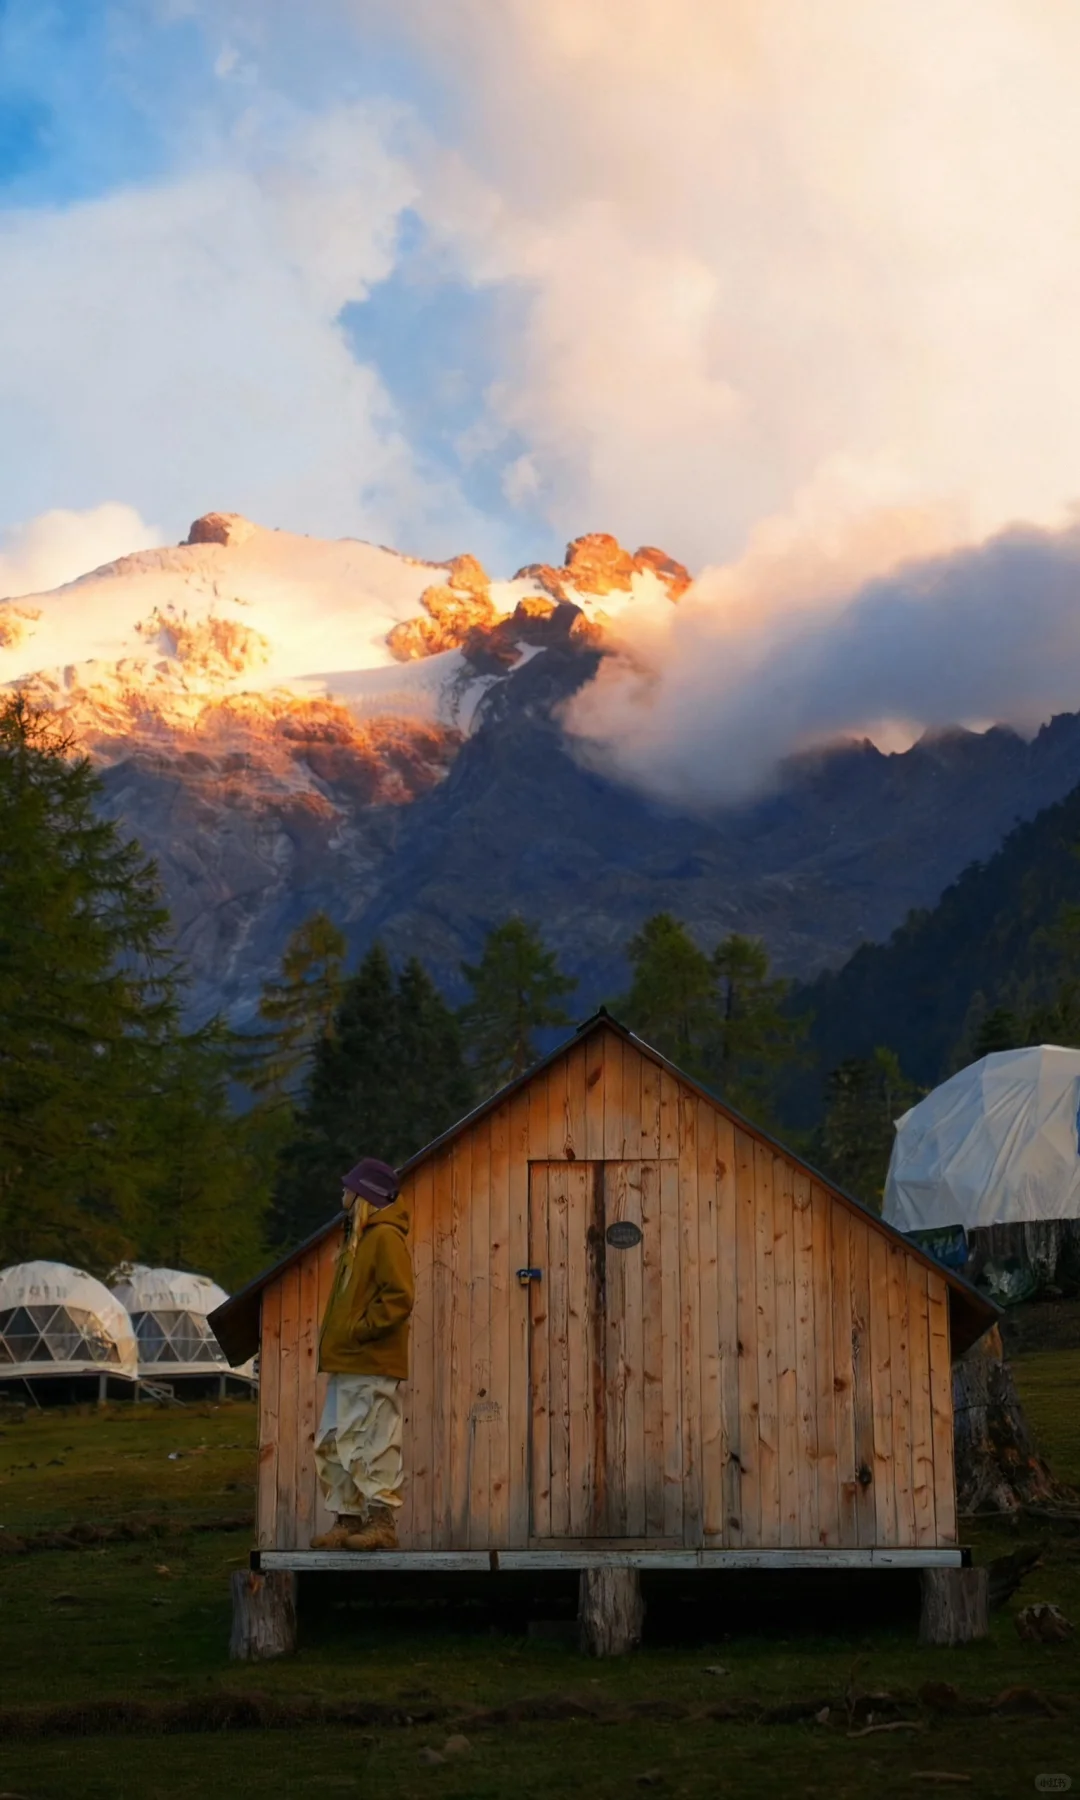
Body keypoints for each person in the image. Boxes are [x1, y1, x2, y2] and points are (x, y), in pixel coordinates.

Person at [310, 1156, 414, 1551]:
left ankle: (381, 1522)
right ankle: (347, 1519)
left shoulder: (385, 1237)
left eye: (348, 1187)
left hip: (369, 1359)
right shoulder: (359, 1237)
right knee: (334, 1442)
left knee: (370, 1439)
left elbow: (399, 1297)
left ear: (363, 1195)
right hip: (347, 1361)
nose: (343, 1192)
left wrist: (360, 1331)